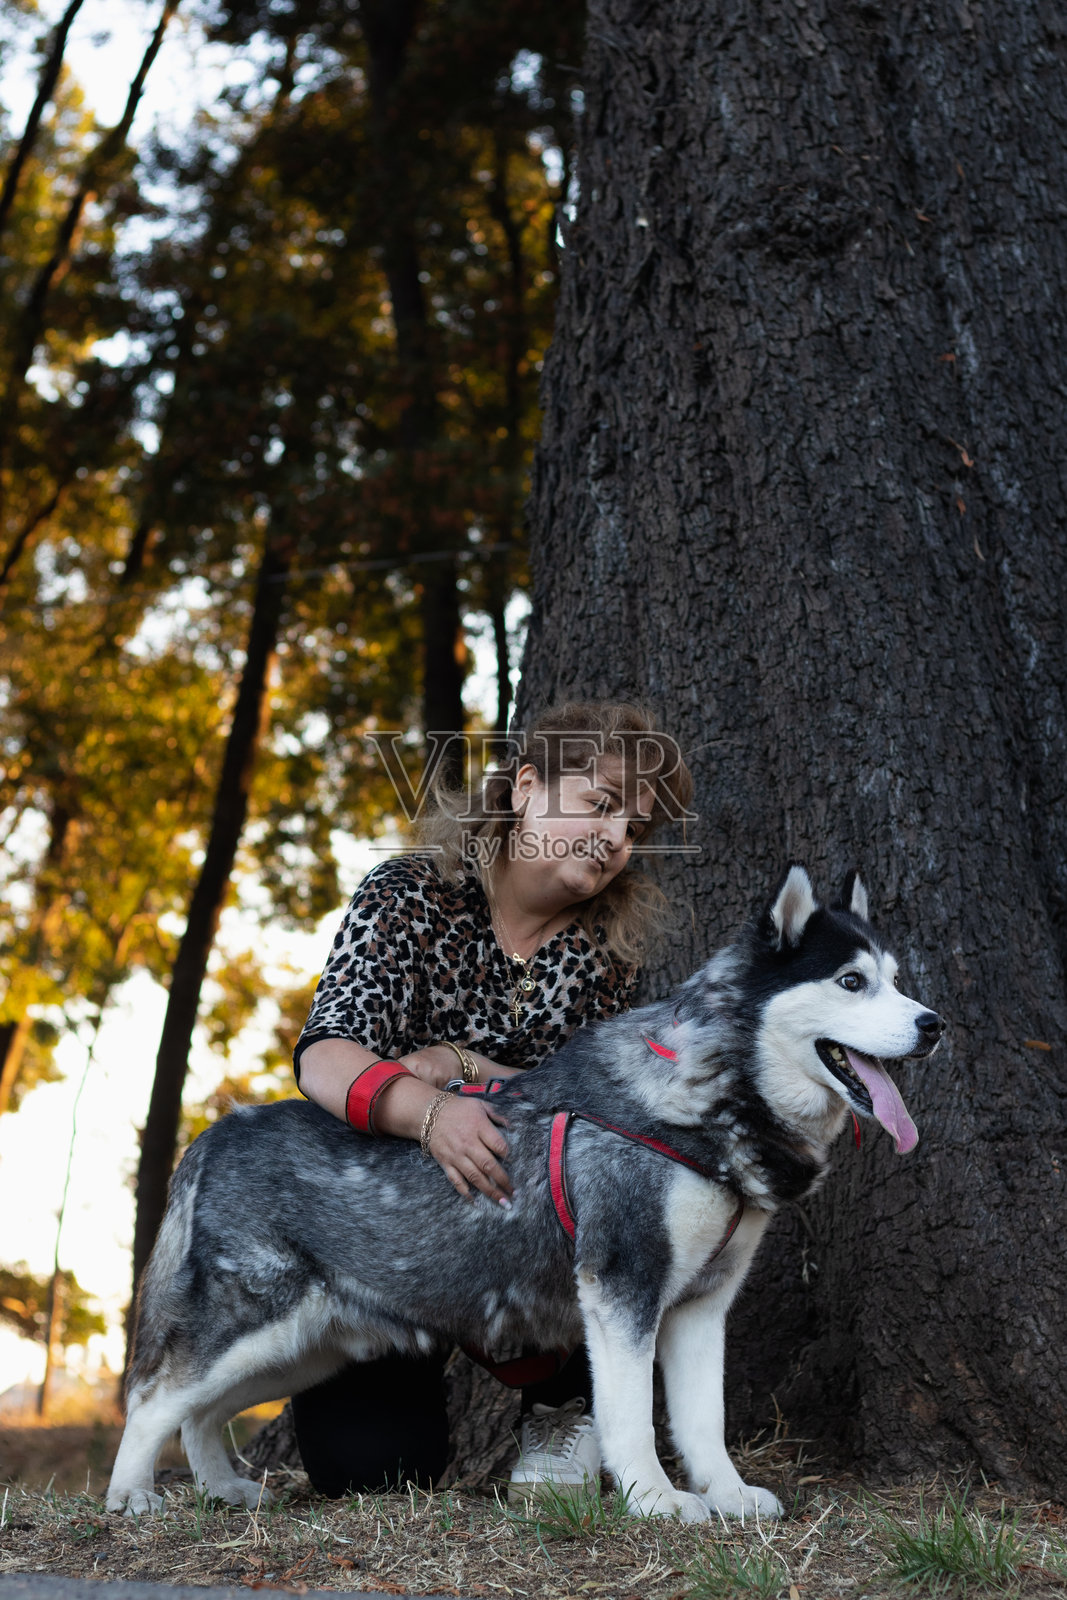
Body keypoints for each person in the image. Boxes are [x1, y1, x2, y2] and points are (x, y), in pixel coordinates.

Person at [292, 700, 693, 1498]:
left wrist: (462, 1064)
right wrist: (432, 1113)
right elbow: (326, 1055)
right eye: (600, 804)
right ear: (524, 789)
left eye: (634, 829)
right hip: (393, 1233)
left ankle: (562, 1403)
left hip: (534, 1239)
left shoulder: (610, 957)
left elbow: (613, 1113)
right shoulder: (406, 896)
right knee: (370, 1473)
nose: (615, 839)